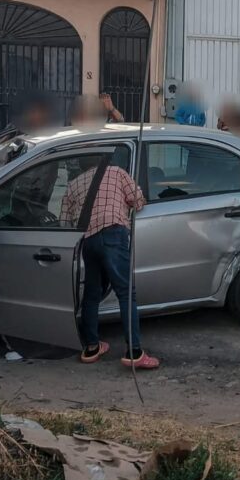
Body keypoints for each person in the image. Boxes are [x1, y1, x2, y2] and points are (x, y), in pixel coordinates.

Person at [61, 156, 160, 370]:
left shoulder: (73, 185)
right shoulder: (116, 172)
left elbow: (65, 223)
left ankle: (91, 347)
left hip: (88, 241)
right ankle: (134, 352)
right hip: (113, 233)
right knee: (126, 293)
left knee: (91, 294)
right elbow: (138, 200)